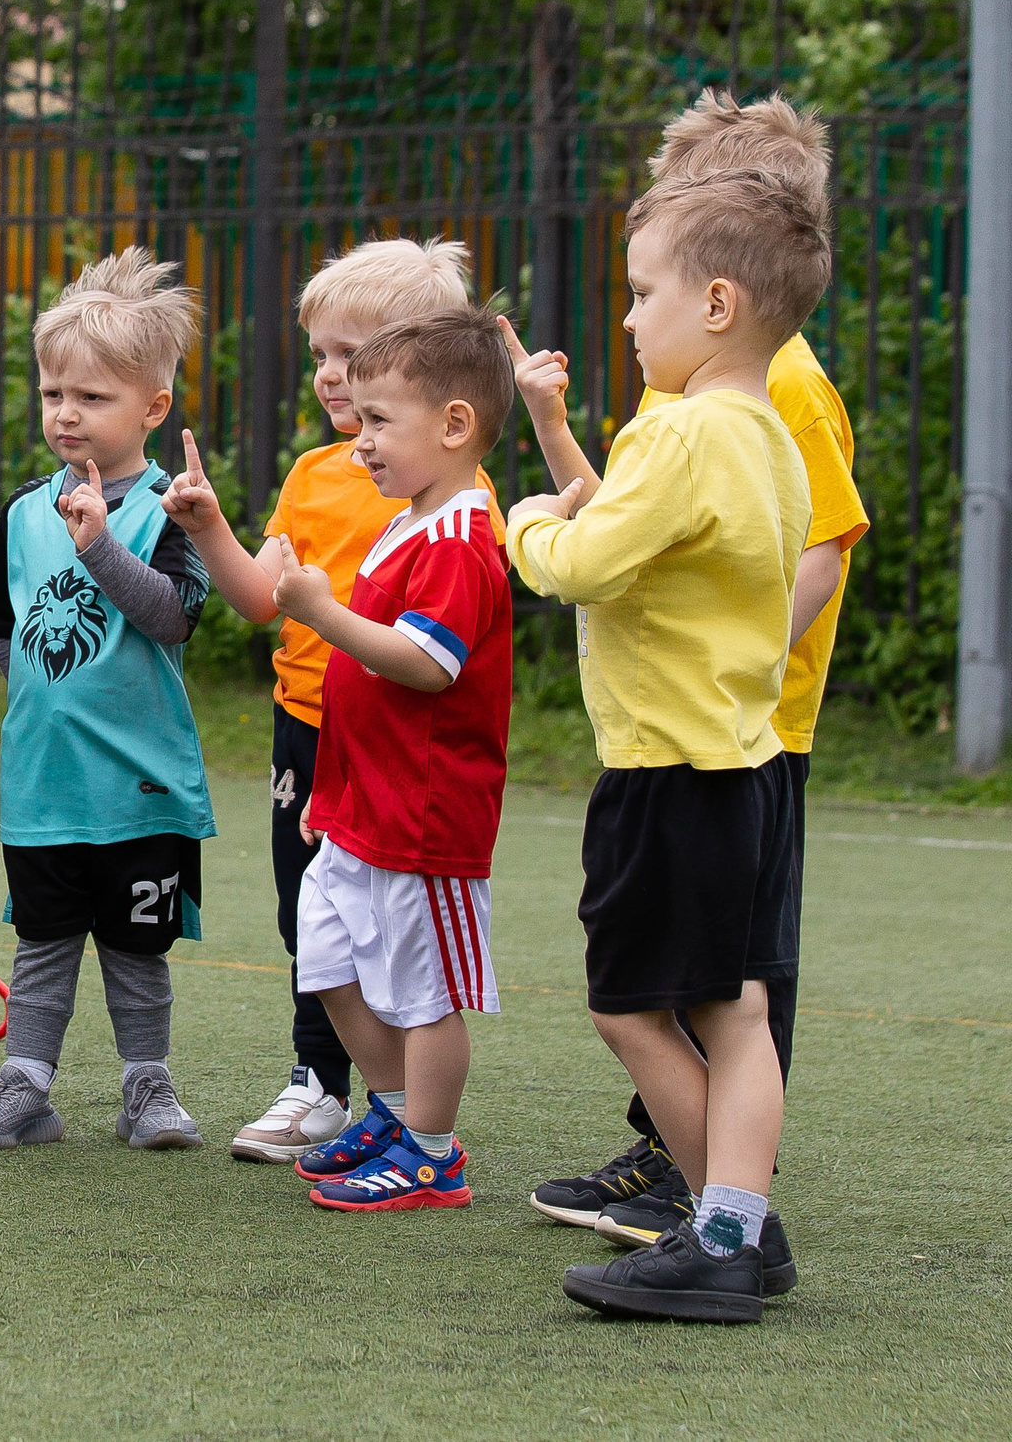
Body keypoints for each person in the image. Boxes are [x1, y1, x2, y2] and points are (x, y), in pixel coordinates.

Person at [508, 92, 864, 1251]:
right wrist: (564, 444)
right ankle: (733, 1226)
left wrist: (519, 522)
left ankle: (717, 1227)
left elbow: (588, 563)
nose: (625, 317)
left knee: (631, 1009)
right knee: (740, 1011)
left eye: (642, 292)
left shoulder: (677, 427)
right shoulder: (758, 421)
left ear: (716, 302)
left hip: (665, 771)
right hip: (746, 758)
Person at [161, 238, 502, 1162]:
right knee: (310, 919)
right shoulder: (316, 473)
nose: (329, 375)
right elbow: (260, 595)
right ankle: (325, 1083)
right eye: (319, 354)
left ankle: (397, 1116)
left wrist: (324, 607)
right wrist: (210, 527)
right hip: (310, 730)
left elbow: (430, 650)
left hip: (398, 747)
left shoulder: (452, 497)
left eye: (351, 355)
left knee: (401, 945)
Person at [0, 251, 215, 1153]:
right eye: (55, 392)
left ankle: (148, 1087)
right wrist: (41, 710)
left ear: (153, 408)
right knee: (45, 943)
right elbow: (0, 623)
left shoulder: (176, 508)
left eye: (92, 397)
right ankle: (26, 1086)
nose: (66, 412)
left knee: (137, 950)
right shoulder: (25, 509)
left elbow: (174, 618)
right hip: (44, 787)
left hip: (140, 788)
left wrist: (101, 549)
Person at [257, 309, 515, 1213]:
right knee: (324, 959)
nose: (359, 440)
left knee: (424, 991)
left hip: (424, 816)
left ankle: (433, 1153)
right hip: (362, 802)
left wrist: (321, 612)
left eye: (379, 421)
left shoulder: (456, 540)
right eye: (358, 419)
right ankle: (401, 1111)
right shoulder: (413, 520)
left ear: (453, 425)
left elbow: (427, 663)